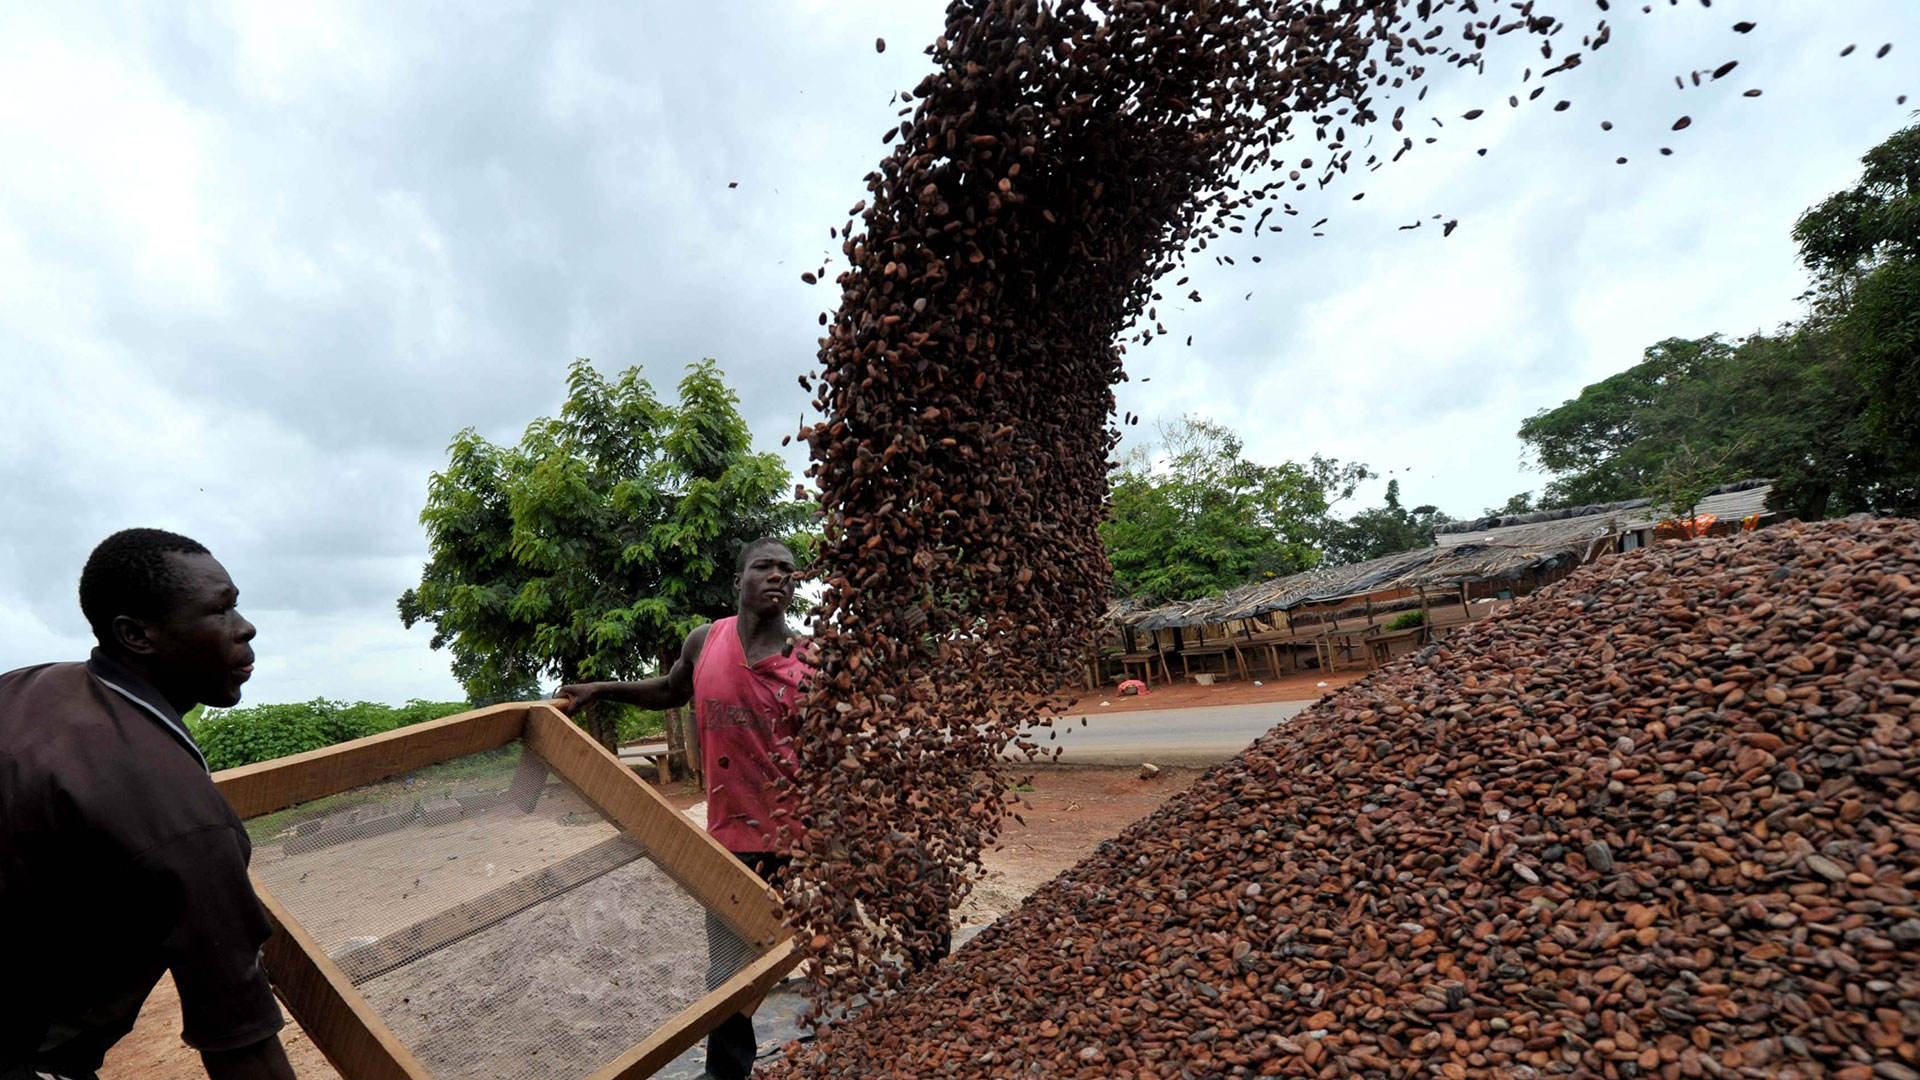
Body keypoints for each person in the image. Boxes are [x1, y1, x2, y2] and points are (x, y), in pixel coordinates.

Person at [0, 529, 296, 1080]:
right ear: (136, 635)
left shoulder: (23, 690)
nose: (246, 627)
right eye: (221, 610)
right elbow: (243, 1046)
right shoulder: (187, 824)